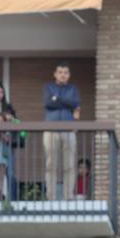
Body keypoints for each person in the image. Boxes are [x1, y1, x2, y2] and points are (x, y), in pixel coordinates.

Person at [43, 61, 81, 201]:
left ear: (69, 75)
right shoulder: (48, 87)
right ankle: (51, 198)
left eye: (65, 73)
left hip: (69, 130)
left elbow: (75, 104)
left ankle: (68, 197)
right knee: (51, 165)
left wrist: (57, 99)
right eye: (60, 72)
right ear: (55, 74)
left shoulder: (73, 89)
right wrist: (66, 102)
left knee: (69, 165)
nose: (63, 75)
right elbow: (48, 103)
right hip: (50, 129)